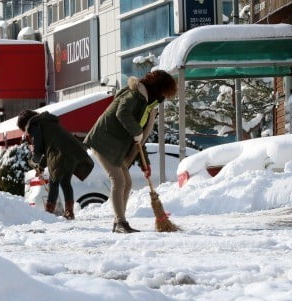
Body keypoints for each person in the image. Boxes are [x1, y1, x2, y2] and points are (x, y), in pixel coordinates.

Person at [84, 70, 177, 233]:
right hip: (103, 140)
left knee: (127, 182)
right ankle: (120, 222)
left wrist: (145, 164)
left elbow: (140, 140)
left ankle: (118, 222)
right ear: (158, 88)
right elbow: (122, 112)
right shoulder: (135, 95)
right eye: (164, 92)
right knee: (118, 180)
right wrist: (136, 131)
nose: (164, 97)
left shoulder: (149, 105)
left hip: (116, 146)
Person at [17, 110, 94, 220]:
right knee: (65, 182)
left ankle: (48, 213)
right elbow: (49, 150)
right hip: (71, 152)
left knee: (54, 182)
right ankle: (69, 212)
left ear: (24, 124)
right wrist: (41, 167)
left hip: (60, 153)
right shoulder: (48, 122)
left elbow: (39, 148)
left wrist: (35, 160)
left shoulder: (33, 125)